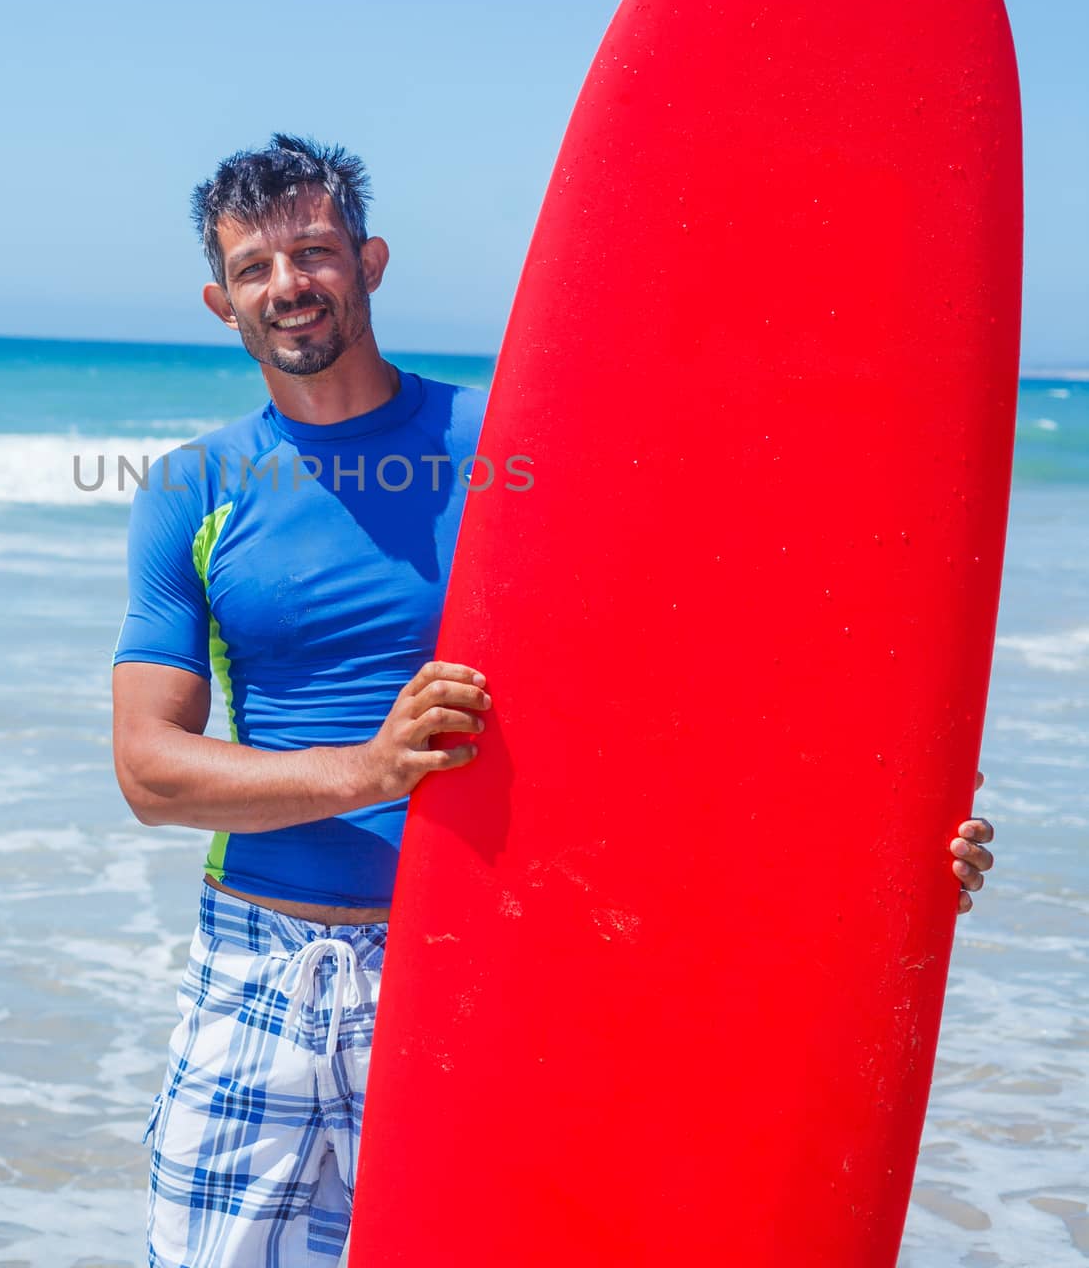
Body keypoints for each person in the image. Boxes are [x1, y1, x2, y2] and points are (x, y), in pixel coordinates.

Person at [110, 133, 997, 1268]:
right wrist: (370, 770)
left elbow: (707, 667)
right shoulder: (194, 484)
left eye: (314, 252)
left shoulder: (507, 447)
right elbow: (150, 769)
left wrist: (887, 841)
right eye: (255, 268)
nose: (288, 286)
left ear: (370, 261)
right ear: (217, 298)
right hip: (252, 973)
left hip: (475, 968)